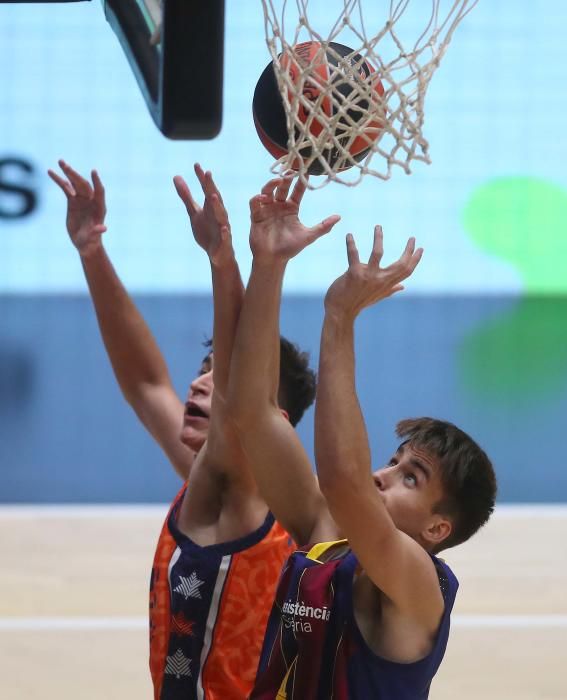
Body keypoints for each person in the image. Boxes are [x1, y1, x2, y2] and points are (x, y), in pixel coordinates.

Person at [47, 162, 328, 699]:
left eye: (217, 376)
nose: (200, 385)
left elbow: (241, 402)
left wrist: (228, 264)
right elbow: (146, 382)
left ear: (275, 424)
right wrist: (92, 253)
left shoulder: (250, 492)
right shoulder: (209, 481)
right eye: (203, 369)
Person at [225, 176, 497, 698]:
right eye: (394, 462)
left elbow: (346, 481)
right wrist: (269, 264)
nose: (382, 475)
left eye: (409, 477)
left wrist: (340, 318)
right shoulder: (327, 532)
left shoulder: (418, 588)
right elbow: (252, 415)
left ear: (439, 528)